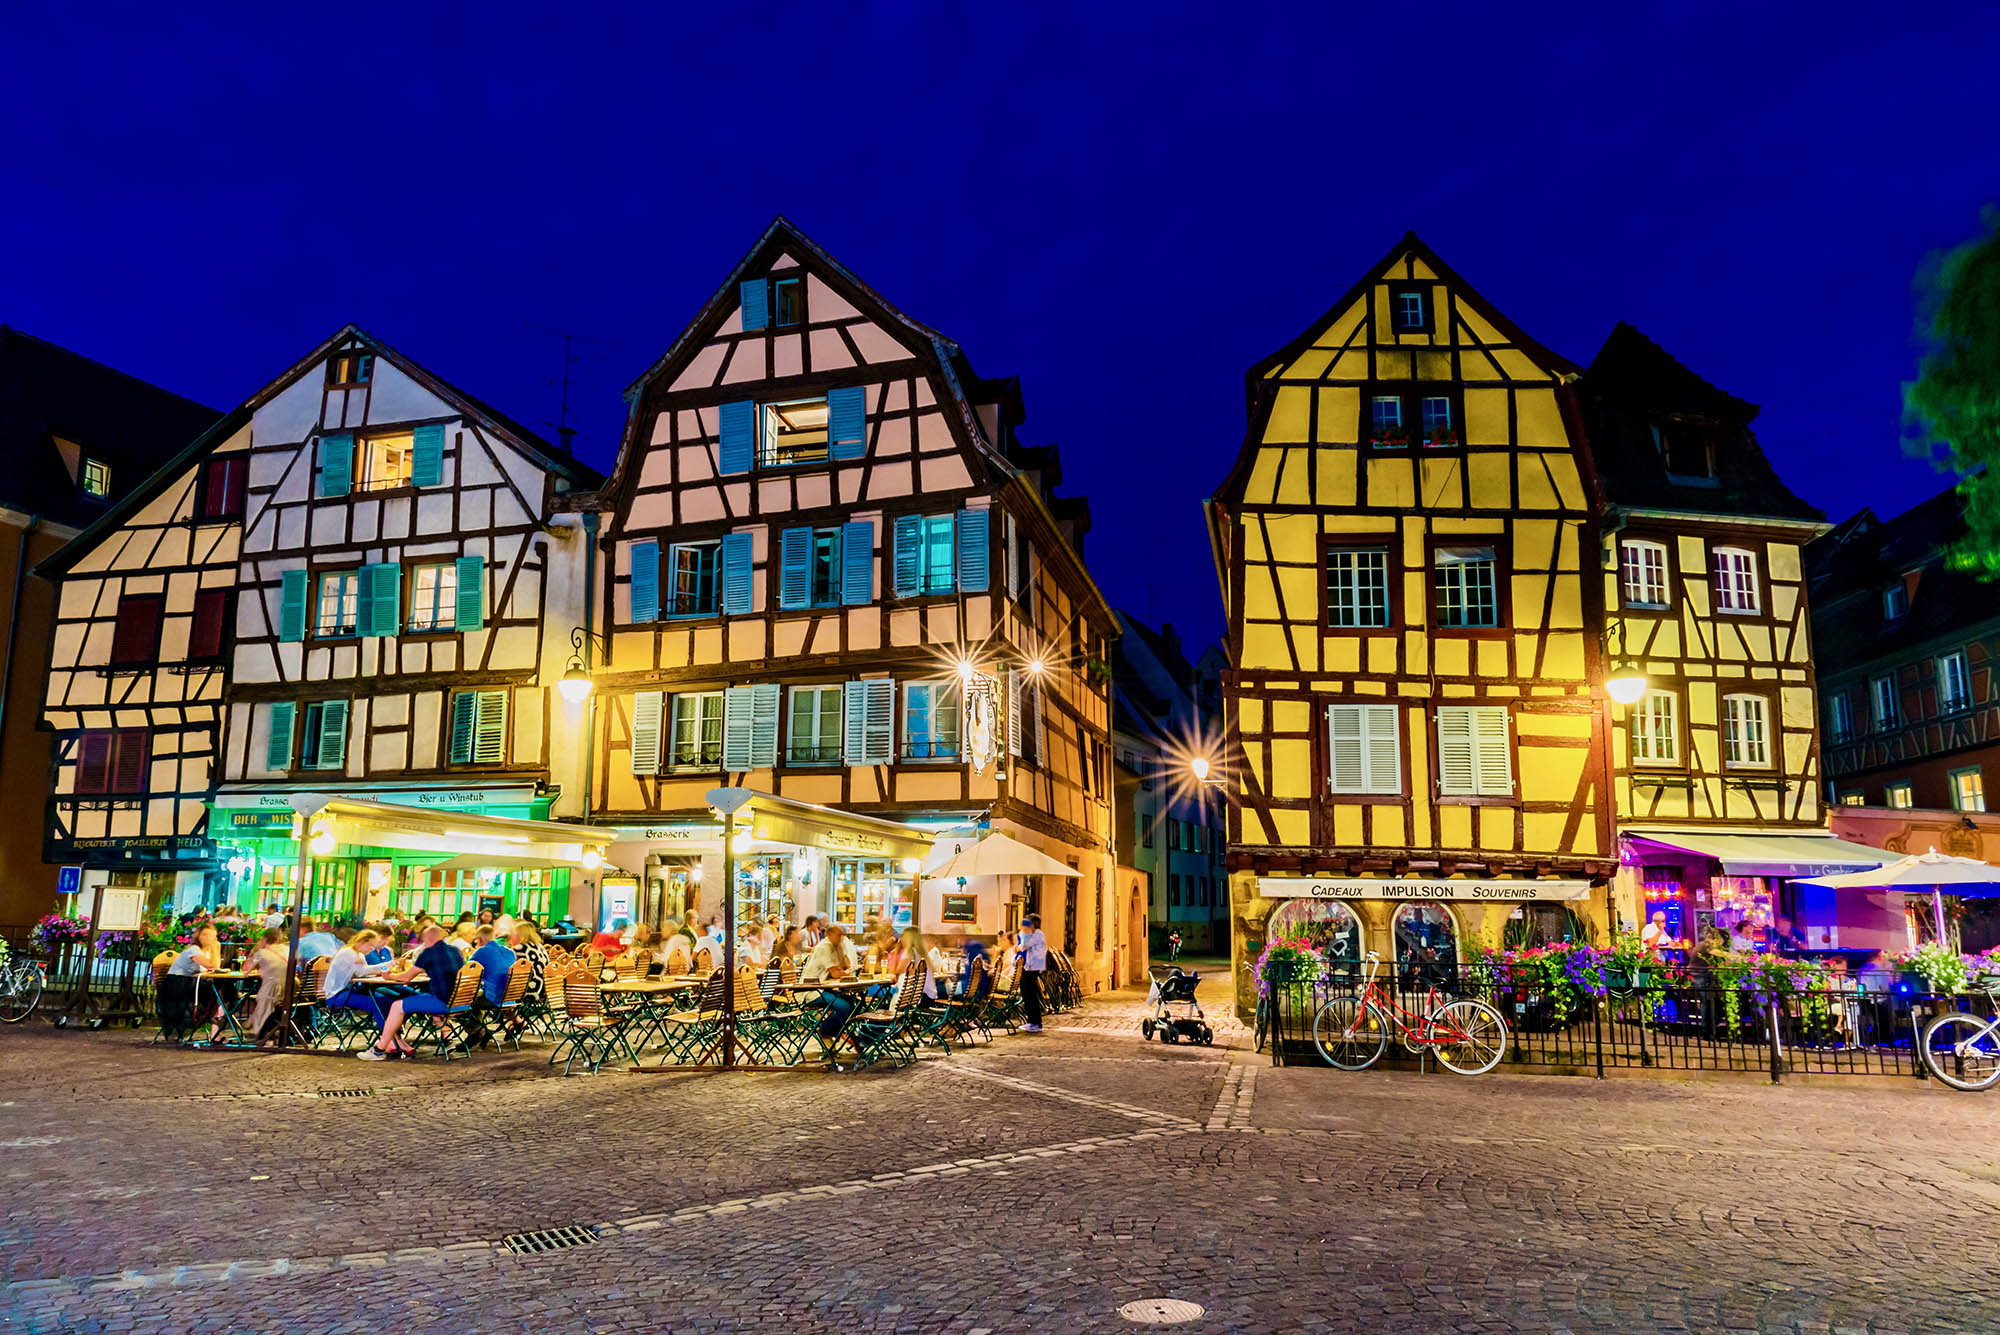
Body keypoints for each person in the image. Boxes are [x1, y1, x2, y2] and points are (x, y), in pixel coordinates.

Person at [359, 925, 464, 1060]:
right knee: (416, 998)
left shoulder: (428, 953)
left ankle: (379, 1050)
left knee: (397, 1006)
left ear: (427, 939)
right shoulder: (455, 951)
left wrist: (389, 976)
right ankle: (447, 1039)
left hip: (441, 1001)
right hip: (458, 1001)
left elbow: (406, 977)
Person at [801, 924, 861, 1068]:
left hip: (825, 988)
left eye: (842, 935)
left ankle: (838, 1033)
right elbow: (836, 973)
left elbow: (845, 966)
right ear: (829, 934)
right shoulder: (824, 948)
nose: (841, 938)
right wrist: (845, 971)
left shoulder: (836, 947)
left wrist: (842, 955)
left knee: (855, 1003)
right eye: (839, 935)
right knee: (844, 1006)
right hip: (811, 990)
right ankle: (826, 1030)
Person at [168, 925, 230, 1043]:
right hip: (178, 984)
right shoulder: (194, 950)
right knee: (220, 993)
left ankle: (215, 1031)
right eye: (205, 934)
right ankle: (215, 1032)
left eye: (212, 936)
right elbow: (212, 966)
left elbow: (214, 967)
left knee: (223, 992)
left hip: (192, 984)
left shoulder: (204, 952)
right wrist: (216, 949)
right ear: (198, 936)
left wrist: (214, 950)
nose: (208, 938)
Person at [322, 929, 391, 1027]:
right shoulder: (349, 953)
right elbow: (364, 971)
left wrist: (386, 967)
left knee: (385, 1000)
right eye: (371, 945)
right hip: (336, 995)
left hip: (347, 991)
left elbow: (362, 972)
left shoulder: (358, 954)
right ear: (362, 942)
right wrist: (388, 965)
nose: (372, 949)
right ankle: (389, 1037)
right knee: (378, 1004)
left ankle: (392, 1034)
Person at [241, 928, 294, 1046]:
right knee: (265, 997)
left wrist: (254, 950)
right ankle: (254, 1023)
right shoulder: (288, 949)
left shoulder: (262, 953)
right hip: (291, 992)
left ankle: (259, 1029)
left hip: (272, 992)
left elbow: (245, 970)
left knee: (262, 997)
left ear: (264, 939)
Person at [467, 925, 517, 1047]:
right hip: (510, 997)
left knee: (463, 1002)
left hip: (493, 998)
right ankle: (479, 1032)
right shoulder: (509, 952)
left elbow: (467, 971)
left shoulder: (481, 951)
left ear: (479, 939)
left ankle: (478, 1032)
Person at [1016, 914, 1047, 1033]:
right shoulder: (1035, 934)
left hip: (1031, 967)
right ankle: (1033, 1021)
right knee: (1028, 993)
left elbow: (1023, 946)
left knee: (1030, 994)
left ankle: (1034, 1022)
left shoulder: (1037, 934)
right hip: (1029, 966)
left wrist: (1023, 933)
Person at [511, 921, 550, 1008]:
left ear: (519, 935)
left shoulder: (519, 949)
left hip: (527, 990)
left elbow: (509, 971)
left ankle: (510, 1018)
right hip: (544, 990)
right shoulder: (540, 947)